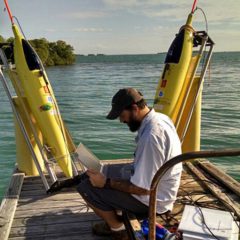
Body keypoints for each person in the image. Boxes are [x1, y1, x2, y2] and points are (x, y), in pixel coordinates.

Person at [77, 88, 182, 240]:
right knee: (102, 171)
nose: (122, 120)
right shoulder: (159, 119)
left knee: (86, 187)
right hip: (158, 187)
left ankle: (118, 229)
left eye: (122, 115)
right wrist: (107, 174)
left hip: (154, 201)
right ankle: (114, 216)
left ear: (134, 108)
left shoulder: (152, 137)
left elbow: (143, 189)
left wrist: (105, 182)